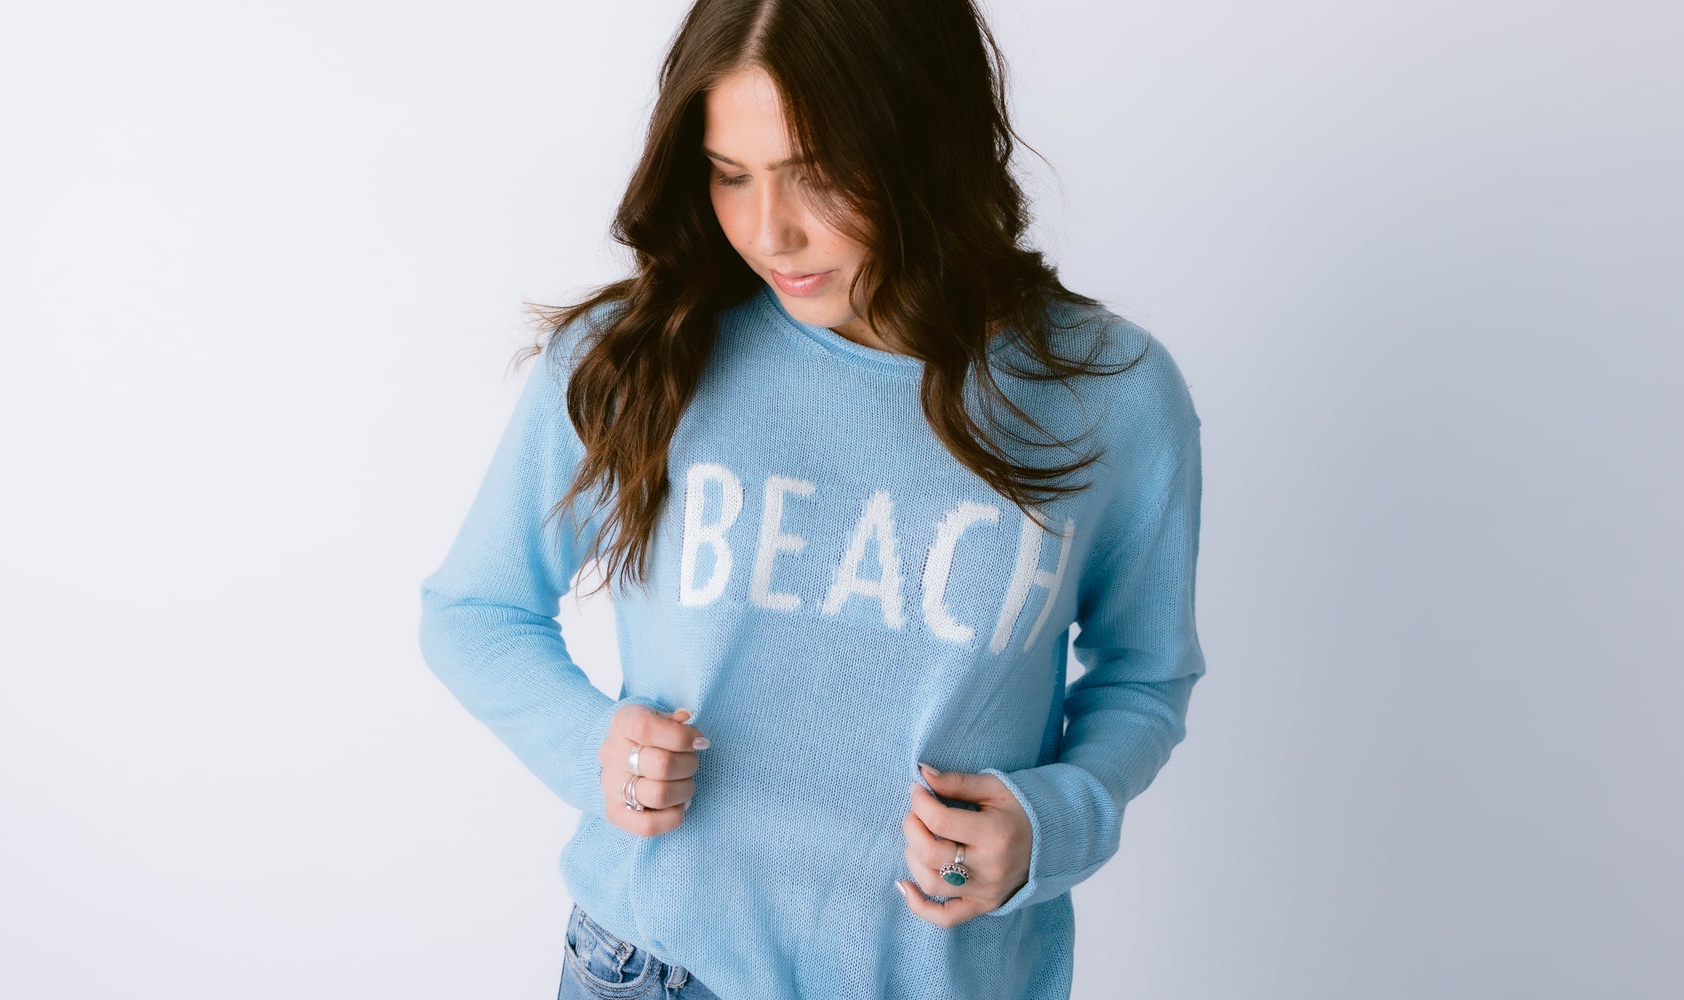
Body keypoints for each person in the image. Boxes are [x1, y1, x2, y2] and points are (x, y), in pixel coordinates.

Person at [416, 1, 1205, 997]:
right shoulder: (643, 356)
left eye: (819, 174)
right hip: (655, 970)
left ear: (928, 141)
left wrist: (1054, 823)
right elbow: (473, 608)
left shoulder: (1109, 394)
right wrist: (592, 750)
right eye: (729, 173)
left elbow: (1145, 673)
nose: (769, 233)